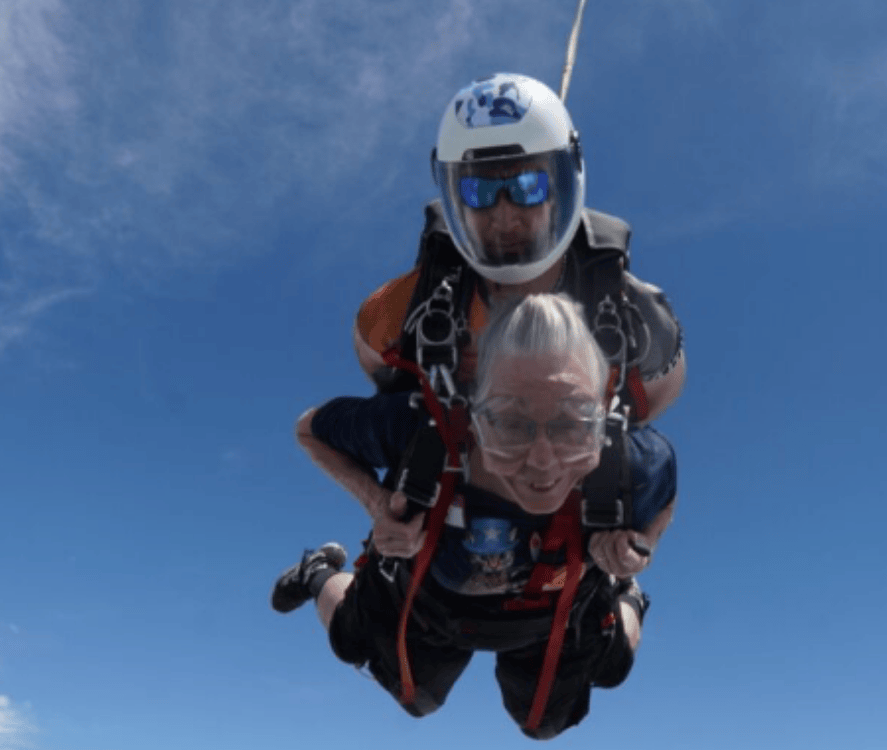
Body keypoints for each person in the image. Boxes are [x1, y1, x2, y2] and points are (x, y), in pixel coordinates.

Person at [274, 293, 677, 739]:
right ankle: (318, 573)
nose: (542, 461)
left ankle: (628, 593)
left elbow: (664, 496)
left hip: (553, 609)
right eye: (510, 422)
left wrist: (641, 548)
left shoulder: (633, 460)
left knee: (560, 710)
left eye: (571, 424)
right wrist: (375, 503)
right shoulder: (420, 427)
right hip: (431, 600)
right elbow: (310, 430)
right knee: (392, 676)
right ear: (475, 412)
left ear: (602, 420)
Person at [353, 72, 686, 424]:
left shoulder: (636, 318)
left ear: (561, 191)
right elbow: (374, 360)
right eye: (477, 192)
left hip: (568, 465)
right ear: (453, 198)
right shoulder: (410, 305)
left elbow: (655, 399)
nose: (504, 216)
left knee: (645, 462)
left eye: (528, 186)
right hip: (455, 458)